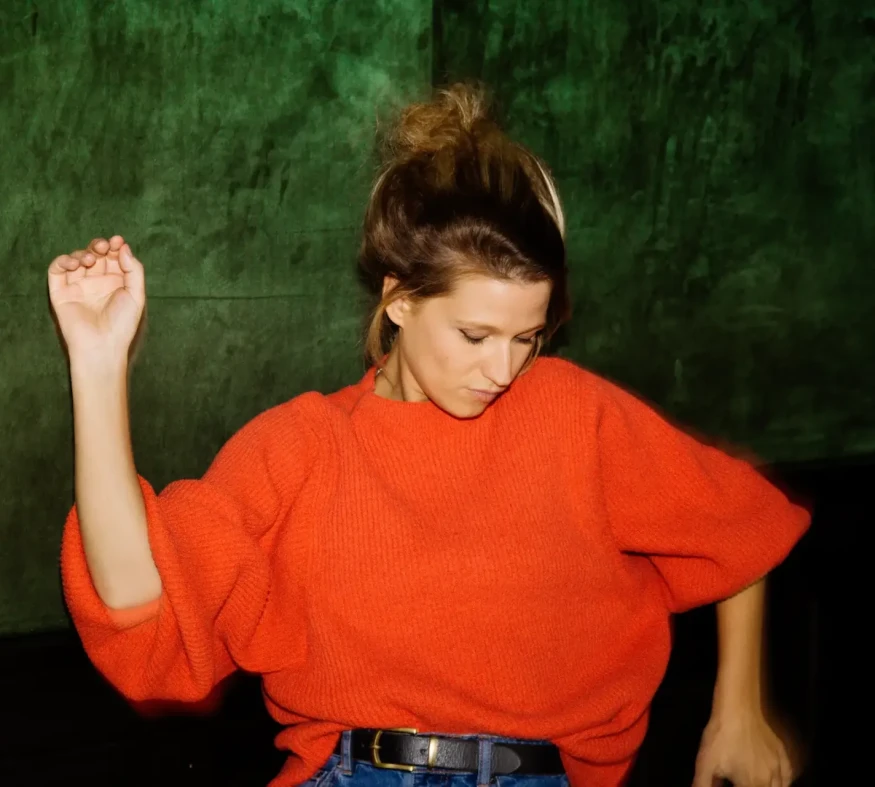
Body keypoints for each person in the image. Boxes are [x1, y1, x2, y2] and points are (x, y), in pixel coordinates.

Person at [49, 84, 809, 787]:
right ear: (400, 299)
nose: (503, 368)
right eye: (476, 334)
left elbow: (738, 528)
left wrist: (737, 711)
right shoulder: (301, 447)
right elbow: (135, 597)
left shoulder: (575, 414)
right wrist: (98, 364)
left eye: (527, 337)